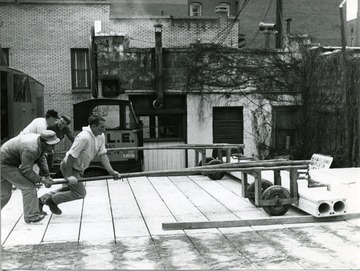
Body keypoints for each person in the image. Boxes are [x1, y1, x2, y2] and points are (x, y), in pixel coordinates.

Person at [40, 115, 121, 215]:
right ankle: (51, 201)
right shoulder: (84, 137)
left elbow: (103, 154)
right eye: (102, 127)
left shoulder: (100, 136)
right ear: (93, 127)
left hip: (80, 167)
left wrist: (111, 171)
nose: (104, 130)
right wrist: (69, 175)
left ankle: (41, 200)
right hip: (69, 166)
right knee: (80, 193)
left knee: (70, 188)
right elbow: (70, 156)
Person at [1, 130, 59, 223]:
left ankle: (31, 214)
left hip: (6, 161)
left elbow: (41, 158)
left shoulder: (40, 142)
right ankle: (31, 216)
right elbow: (26, 170)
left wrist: (46, 175)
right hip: (5, 164)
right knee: (28, 186)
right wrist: (41, 180)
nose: (54, 147)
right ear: (44, 144)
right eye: (51, 145)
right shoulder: (30, 148)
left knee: (4, 195)